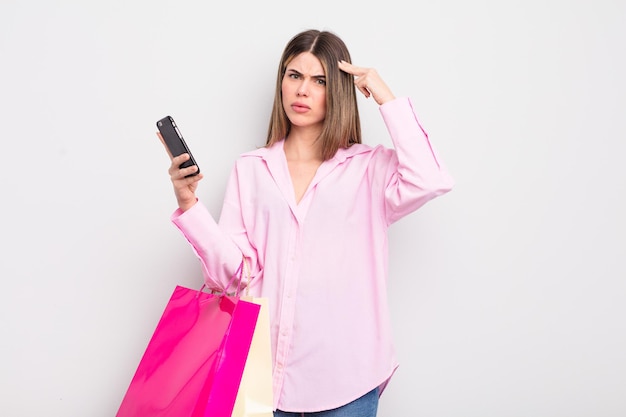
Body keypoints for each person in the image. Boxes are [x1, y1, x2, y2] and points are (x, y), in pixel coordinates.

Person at [160, 29, 454, 417]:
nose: (302, 90)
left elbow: (429, 179)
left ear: (340, 92)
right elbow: (232, 278)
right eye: (294, 75)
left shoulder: (369, 168)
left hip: (346, 377)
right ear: (281, 81)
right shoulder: (251, 169)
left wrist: (385, 95)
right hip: (254, 372)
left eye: (320, 81)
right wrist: (189, 204)